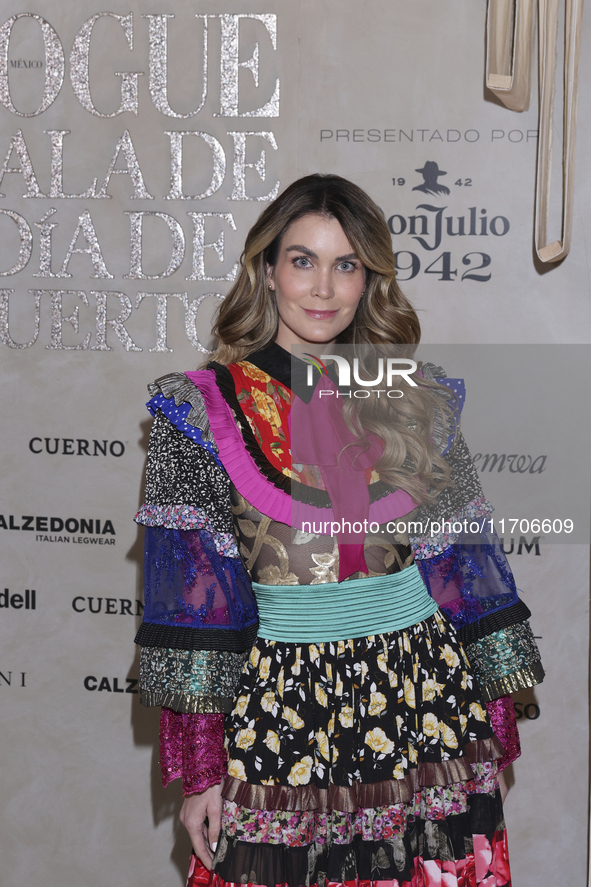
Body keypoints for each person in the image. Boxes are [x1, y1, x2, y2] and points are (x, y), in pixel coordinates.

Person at [134, 174, 544, 887]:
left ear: (368, 280)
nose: (322, 287)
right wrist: (200, 771)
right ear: (266, 270)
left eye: (345, 264)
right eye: (302, 260)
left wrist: (492, 716)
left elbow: (461, 564)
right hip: (277, 706)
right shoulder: (198, 413)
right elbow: (199, 610)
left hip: (422, 702)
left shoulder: (418, 399)